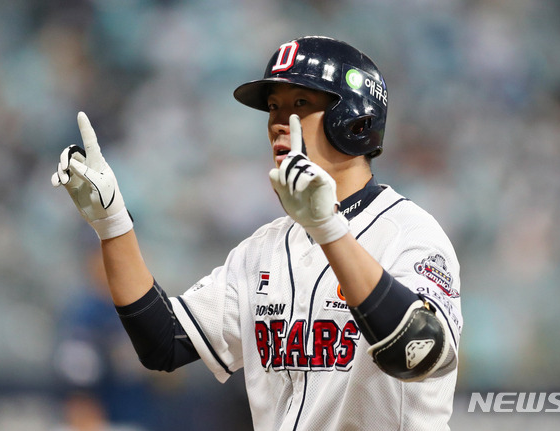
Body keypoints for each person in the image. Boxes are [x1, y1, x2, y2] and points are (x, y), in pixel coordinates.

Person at [51, 36, 463, 431]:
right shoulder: (263, 249)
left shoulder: (409, 232)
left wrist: (328, 229)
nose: (278, 123)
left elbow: (418, 352)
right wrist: (114, 226)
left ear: (354, 120)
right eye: (273, 107)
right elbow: (164, 343)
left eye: (300, 103)